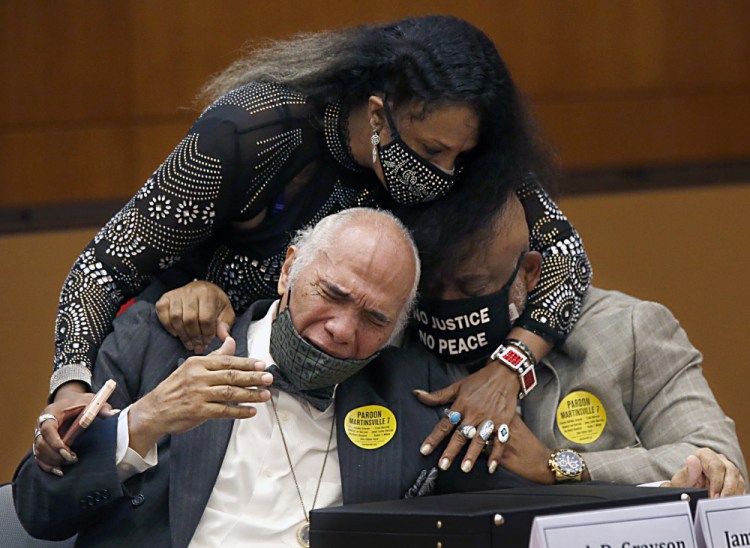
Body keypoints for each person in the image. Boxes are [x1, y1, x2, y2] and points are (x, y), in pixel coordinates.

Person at [36, 15, 592, 476]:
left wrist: (506, 369)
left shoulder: (463, 159)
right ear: (379, 114)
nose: (446, 174)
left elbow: (568, 261)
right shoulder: (251, 132)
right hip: (207, 376)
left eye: (460, 157)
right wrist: (70, 386)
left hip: (361, 397)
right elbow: (103, 268)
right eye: (433, 150)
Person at [14, 208, 526, 547]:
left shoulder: (415, 390)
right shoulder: (157, 344)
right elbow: (40, 508)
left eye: (375, 320)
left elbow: (518, 511)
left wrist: (565, 465)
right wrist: (145, 420)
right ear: (288, 270)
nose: (342, 331)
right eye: (332, 294)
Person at [406, 192, 747, 495]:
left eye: (472, 287)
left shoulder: (627, 330)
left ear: (529, 271)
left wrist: (558, 466)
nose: (451, 305)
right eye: (435, 289)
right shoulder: (406, 343)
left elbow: (720, 464)